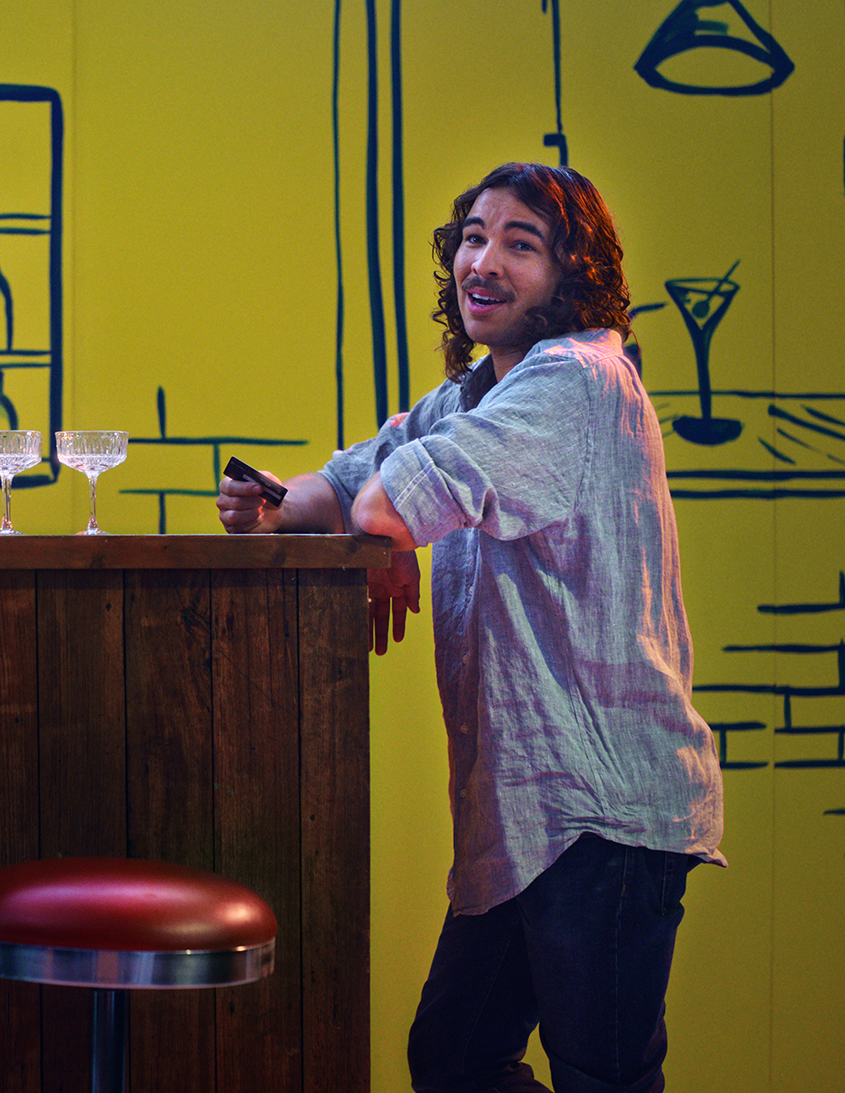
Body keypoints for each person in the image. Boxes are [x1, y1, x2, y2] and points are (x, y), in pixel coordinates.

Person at [218, 162, 724, 1093]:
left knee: (600, 1076)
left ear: (573, 273)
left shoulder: (579, 380)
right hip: (527, 813)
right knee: (454, 1058)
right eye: (474, 237)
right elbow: (347, 488)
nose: (482, 260)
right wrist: (267, 502)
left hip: (602, 806)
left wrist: (387, 526)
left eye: (520, 244)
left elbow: (392, 500)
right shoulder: (469, 398)